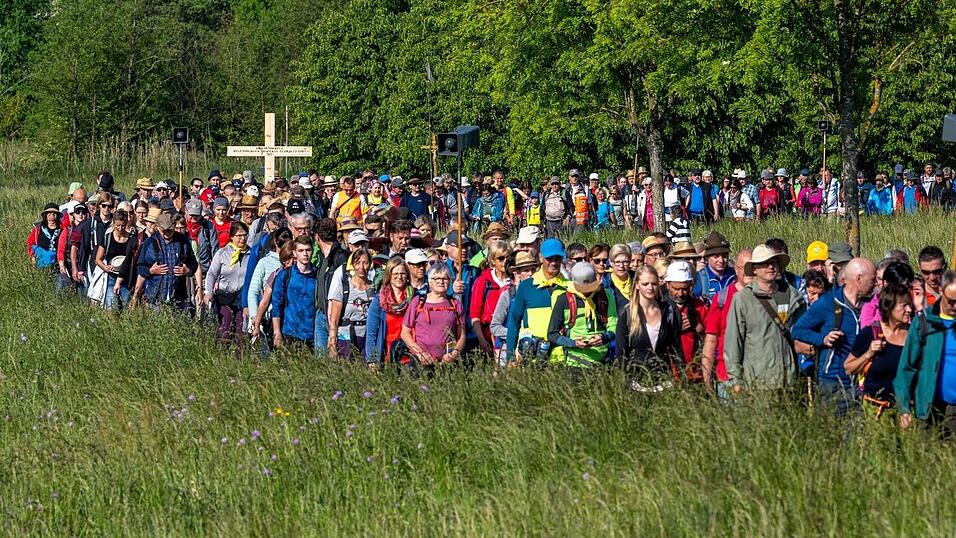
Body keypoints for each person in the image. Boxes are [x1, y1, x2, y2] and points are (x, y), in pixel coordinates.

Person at [792, 257, 876, 416]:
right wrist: (822, 339)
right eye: (872, 280)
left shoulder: (871, 306)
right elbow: (798, 330)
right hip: (833, 384)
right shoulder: (828, 303)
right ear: (858, 279)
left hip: (863, 384)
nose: (875, 284)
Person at [724, 244, 807, 391]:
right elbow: (733, 343)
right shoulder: (743, 299)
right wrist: (736, 380)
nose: (770, 267)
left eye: (774, 262)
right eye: (765, 263)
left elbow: (803, 334)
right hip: (757, 385)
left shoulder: (793, 296)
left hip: (790, 383)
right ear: (754, 269)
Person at [895, 270, 956, 432]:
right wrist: (904, 407)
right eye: (951, 301)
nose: (955, 306)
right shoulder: (925, 322)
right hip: (928, 407)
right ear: (941, 292)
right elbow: (907, 366)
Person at [844, 282, 911, 419]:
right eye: (904, 305)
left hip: (907, 412)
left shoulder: (914, 335)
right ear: (889, 308)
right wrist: (868, 353)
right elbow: (848, 368)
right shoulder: (871, 333)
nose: (909, 309)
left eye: (909, 304)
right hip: (875, 412)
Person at [616, 264, 684, 391]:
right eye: (645, 284)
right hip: (636, 385)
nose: (650, 288)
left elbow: (676, 349)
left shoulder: (669, 310)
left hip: (664, 384)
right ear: (636, 285)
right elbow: (621, 353)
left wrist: (681, 377)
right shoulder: (627, 314)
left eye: (653, 284)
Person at [505, 238, 569, 364]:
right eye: (550, 258)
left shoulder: (569, 287)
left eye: (557, 258)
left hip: (561, 358)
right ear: (541, 258)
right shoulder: (526, 286)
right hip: (530, 357)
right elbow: (514, 321)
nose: (554, 262)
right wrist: (510, 356)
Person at [547, 262, 618, 367]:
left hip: (603, 362)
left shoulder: (606, 296)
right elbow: (552, 334)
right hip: (574, 363)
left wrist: (604, 337)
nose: (587, 292)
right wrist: (573, 343)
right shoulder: (563, 300)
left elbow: (614, 325)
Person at [702, 249, 752, 394]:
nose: (749, 272)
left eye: (753, 268)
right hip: (727, 377)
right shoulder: (722, 299)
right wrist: (707, 380)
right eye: (745, 268)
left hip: (758, 376)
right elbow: (711, 341)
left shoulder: (766, 298)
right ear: (736, 269)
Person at [400, 263, 466, 368]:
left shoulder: (455, 304)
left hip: (447, 362)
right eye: (436, 278)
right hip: (420, 361)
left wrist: (455, 353)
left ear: (449, 281)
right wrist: (420, 353)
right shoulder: (418, 302)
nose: (441, 281)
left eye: (445, 278)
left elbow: (461, 335)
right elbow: (404, 332)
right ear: (429, 281)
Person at [135, 213, 199, 312]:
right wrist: (151, 271)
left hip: (177, 297)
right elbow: (140, 267)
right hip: (155, 297)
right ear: (157, 227)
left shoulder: (182, 241)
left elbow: (193, 263)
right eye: (163, 230)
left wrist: (187, 270)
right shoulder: (150, 242)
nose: (166, 233)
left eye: (169, 230)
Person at [204, 221, 251, 342]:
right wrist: (208, 292)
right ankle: (221, 355)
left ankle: (240, 358)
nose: (242, 239)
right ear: (232, 237)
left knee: (242, 331)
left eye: (245, 235)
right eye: (239, 236)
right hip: (224, 296)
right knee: (225, 329)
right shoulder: (222, 253)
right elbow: (211, 274)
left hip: (241, 297)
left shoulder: (251, 255)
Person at [489, 251, 538, 365]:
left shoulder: (542, 294)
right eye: (526, 270)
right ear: (518, 273)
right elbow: (495, 326)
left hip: (536, 349)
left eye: (533, 269)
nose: (530, 274)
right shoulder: (508, 295)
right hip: (509, 349)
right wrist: (517, 334)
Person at [271, 236, 318, 349]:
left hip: (313, 334)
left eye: (308, 250)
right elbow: (276, 304)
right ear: (295, 253)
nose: (305, 254)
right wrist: (277, 332)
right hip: (290, 332)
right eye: (301, 250)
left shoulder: (319, 275)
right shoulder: (285, 275)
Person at [365, 257, 413, 368]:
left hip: (409, 356)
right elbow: (371, 333)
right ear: (389, 275)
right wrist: (372, 359)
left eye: (403, 273)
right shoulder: (379, 300)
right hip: (386, 354)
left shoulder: (413, 298)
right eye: (395, 273)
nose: (399, 277)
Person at [664, 261, 708, 381]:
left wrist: (699, 330)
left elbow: (711, 340)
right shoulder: (660, 307)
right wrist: (675, 329)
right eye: (676, 289)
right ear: (667, 285)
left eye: (685, 289)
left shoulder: (700, 307)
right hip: (670, 375)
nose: (680, 293)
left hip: (697, 374)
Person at [327, 248, 374, 359]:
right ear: (352, 264)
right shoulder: (343, 288)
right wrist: (332, 343)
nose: (361, 267)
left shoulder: (373, 288)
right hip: (346, 336)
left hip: (367, 337)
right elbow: (334, 319)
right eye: (357, 263)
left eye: (365, 263)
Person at [469, 240, 513, 355]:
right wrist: (482, 340)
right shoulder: (483, 282)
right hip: (488, 337)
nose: (505, 262)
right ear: (493, 261)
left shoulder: (514, 281)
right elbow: (475, 315)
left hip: (511, 334)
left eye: (508, 258)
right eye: (501, 258)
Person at [92, 209, 133, 309]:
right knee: (111, 306)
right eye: (118, 225)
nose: (120, 228)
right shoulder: (107, 237)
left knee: (126, 306)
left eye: (123, 225)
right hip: (111, 276)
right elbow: (98, 259)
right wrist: (105, 267)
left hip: (126, 278)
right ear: (113, 223)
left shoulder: (132, 238)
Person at [693, 231, 734, 301]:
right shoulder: (700, 279)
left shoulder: (734, 275)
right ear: (707, 258)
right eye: (716, 257)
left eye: (724, 256)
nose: (721, 260)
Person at [27, 203, 63, 271]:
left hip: (58, 264)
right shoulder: (38, 229)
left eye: (54, 213)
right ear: (45, 215)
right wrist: (32, 257)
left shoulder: (63, 229)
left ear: (57, 215)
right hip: (41, 263)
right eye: (49, 213)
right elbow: (30, 243)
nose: (51, 215)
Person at [606, 244, 632, 312]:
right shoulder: (605, 283)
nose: (621, 266)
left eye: (625, 262)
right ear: (611, 262)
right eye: (617, 262)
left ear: (630, 262)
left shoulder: (637, 280)